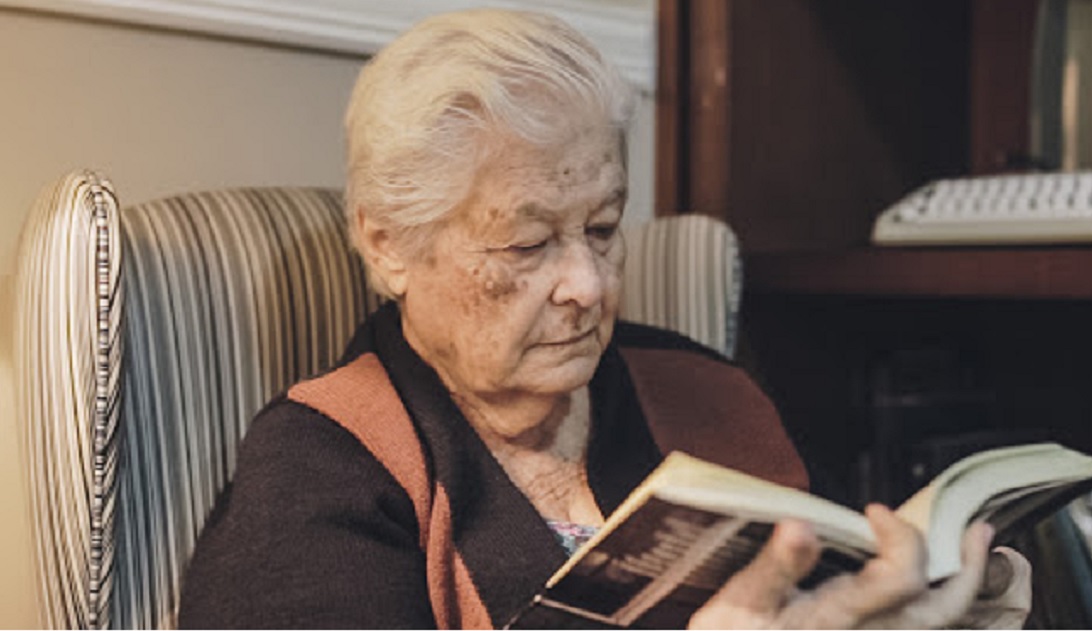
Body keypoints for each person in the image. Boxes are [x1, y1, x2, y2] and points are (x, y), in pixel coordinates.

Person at [178, 8, 1031, 629]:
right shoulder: (324, 464)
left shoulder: (711, 390)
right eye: (526, 244)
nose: (587, 285)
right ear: (389, 243)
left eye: (602, 227)